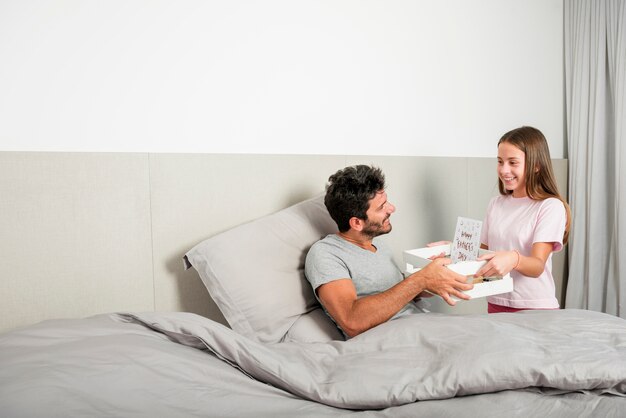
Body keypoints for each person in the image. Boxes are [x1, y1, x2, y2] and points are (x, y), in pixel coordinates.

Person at [304, 165, 473, 338]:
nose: (391, 208)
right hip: (392, 341)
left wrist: (432, 278)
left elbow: (401, 296)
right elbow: (352, 321)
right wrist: (421, 280)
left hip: (421, 327)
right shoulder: (326, 254)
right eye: (382, 207)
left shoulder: (379, 247)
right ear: (356, 223)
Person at [475, 126, 571, 313]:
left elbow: (537, 266)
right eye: (500, 161)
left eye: (513, 162)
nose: (504, 170)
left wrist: (513, 258)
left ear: (536, 165)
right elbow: (482, 255)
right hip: (496, 300)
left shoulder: (549, 207)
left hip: (535, 307)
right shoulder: (495, 204)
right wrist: (454, 250)